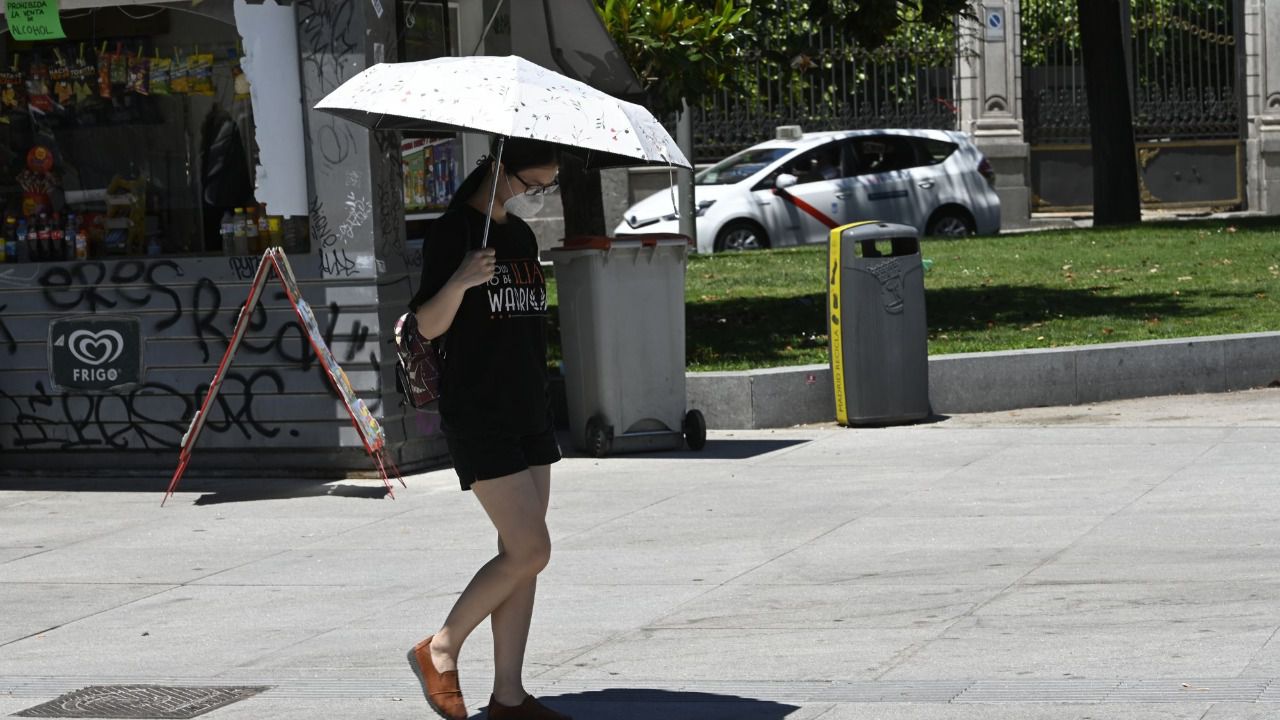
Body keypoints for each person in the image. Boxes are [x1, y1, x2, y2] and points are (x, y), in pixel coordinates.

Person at [405, 136, 571, 720]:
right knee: (532, 548)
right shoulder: (454, 233)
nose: (535, 195)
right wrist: (460, 281)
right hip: (480, 411)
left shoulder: (520, 236)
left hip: (529, 408)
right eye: (532, 184)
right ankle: (440, 648)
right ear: (501, 168)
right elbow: (426, 327)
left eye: (546, 187)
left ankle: (509, 696)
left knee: (519, 555)